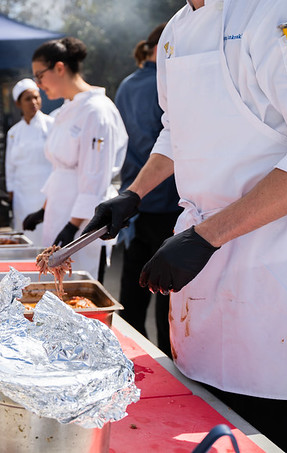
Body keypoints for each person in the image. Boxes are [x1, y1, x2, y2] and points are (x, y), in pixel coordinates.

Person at [82, 0, 287, 451]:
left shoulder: (281, 0)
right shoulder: (173, 34)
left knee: (273, 435)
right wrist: (133, 194)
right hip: (202, 290)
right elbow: (177, 131)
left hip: (275, 281)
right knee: (203, 427)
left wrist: (207, 237)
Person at [23, 38, 127, 279]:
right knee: (55, 288)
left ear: (60, 68)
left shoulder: (97, 111)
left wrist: (73, 226)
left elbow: (95, 178)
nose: (38, 85)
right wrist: (44, 210)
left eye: (40, 76)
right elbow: (61, 169)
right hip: (59, 211)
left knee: (78, 285)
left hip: (84, 221)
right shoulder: (65, 110)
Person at [113, 23, 181, 357]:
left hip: (134, 203)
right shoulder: (168, 84)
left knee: (132, 292)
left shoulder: (126, 86)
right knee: (168, 293)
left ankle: (130, 357)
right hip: (169, 201)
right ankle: (167, 363)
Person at [5, 78, 54, 245]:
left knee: (47, 238)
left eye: (36, 97)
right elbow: (9, 165)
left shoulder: (52, 125)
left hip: (46, 193)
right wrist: (10, 191)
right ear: (18, 104)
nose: (33, 102)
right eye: (28, 99)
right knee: (25, 236)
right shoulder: (13, 133)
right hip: (22, 195)